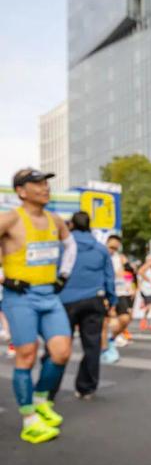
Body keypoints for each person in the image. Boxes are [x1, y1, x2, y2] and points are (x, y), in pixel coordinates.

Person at [0, 168, 76, 443]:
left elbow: (71, 247)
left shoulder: (55, 219)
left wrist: (63, 275)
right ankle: (29, 419)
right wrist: (4, 278)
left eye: (46, 183)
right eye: (37, 184)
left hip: (49, 296)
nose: (45, 188)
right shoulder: (9, 219)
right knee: (27, 355)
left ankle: (41, 400)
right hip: (20, 297)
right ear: (21, 191)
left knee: (61, 352)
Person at [57, 211, 117, 399]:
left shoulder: (63, 247)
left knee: (59, 346)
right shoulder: (101, 249)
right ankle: (86, 388)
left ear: (72, 225)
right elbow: (109, 278)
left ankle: (48, 390)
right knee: (92, 346)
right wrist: (111, 301)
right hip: (94, 300)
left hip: (65, 301)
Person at [106, 235, 136, 346]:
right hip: (108, 292)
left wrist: (132, 287)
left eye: (115, 248)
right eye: (111, 247)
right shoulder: (102, 256)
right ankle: (112, 339)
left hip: (121, 291)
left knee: (126, 318)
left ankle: (113, 337)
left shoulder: (120, 258)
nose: (113, 250)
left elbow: (129, 274)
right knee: (113, 317)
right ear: (107, 243)